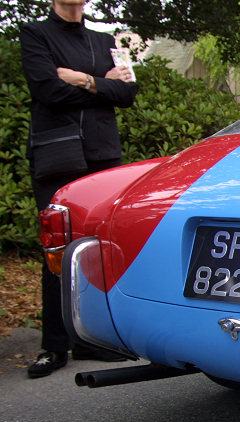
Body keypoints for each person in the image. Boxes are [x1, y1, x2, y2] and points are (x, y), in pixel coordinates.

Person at [20, 0, 138, 378]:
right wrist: (104, 84)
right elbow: (48, 91)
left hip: (102, 155)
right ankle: (55, 345)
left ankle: (91, 339)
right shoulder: (36, 34)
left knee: (97, 246)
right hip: (57, 155)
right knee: (57, 249)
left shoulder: (106, 41)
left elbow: (128, 94)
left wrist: (82, 79)